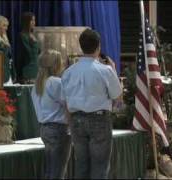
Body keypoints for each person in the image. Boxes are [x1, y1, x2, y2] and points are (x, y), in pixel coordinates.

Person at [61, 28, 122, 179]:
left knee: (81, 164)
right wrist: (114, 70)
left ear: (81, 47)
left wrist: (69, 123)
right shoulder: (105, 70)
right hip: (99, 119)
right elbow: (117, 96)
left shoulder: (68, 72)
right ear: (98, 46)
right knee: (100, 166)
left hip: (76, 120)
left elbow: (66, 102)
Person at [31, 49, 71, 179]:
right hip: (58, 130)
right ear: (56, 65)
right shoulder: (55, 82)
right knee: (58, 172)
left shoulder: (37, 85)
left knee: (50, 170)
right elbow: (68, 104)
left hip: (44, 129)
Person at [17, 12, 40, 84]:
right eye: (32, 20)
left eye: (34, 20)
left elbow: (38, 52)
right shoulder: (22, 36)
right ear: (26, 22)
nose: (34, 22)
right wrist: (33, 43)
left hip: (36, 69)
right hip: (28, 70)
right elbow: (29, 54)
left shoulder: (33, 35)